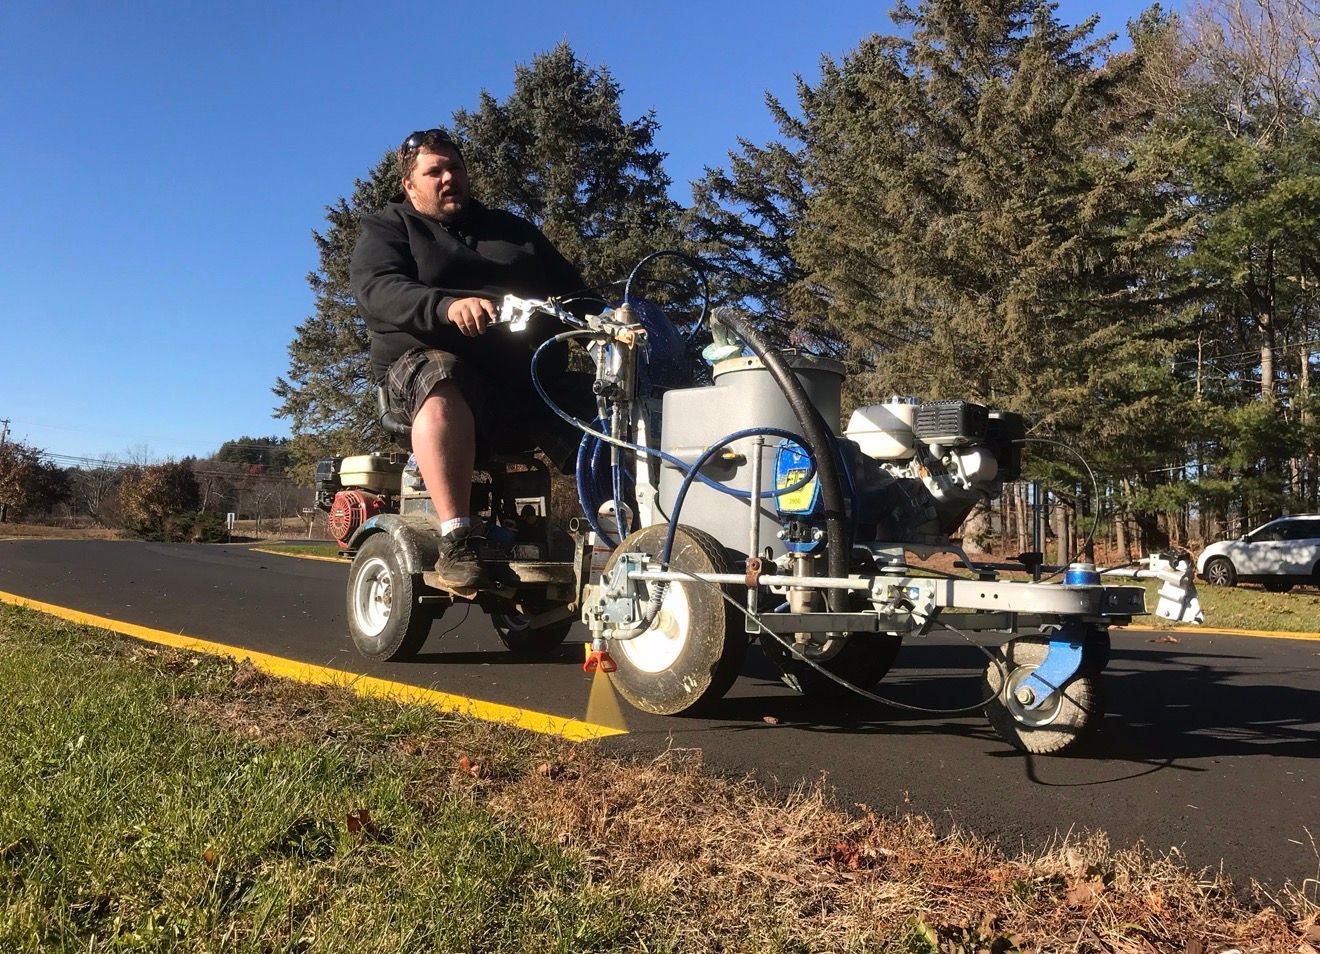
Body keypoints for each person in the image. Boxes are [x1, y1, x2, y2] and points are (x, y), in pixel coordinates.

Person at [350, 128, 588, 591]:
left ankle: (635, 523)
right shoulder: (389, 228)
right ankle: (457, 537)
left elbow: (575, 293)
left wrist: (616, 320)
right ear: (410, 185)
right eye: (433, 171)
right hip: (422, 370)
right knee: (445, 376)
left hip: (520, 379)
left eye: (454, 167)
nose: (447, 177)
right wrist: (445, 306)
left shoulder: (514, 232)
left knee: (608, 402)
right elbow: (378, 288)